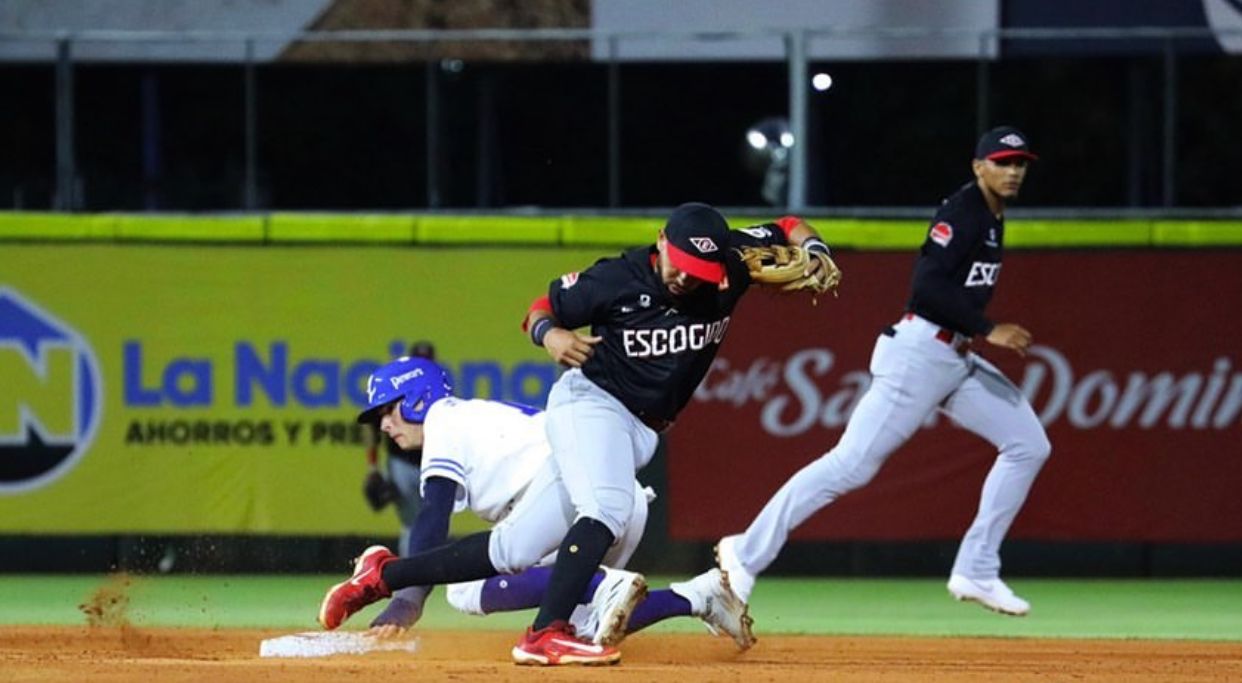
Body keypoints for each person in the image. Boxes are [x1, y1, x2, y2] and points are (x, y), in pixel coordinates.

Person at [317, 202, 833, 665]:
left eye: (699, 271)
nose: (684, 278)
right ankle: (544, 633)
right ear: (660, 241)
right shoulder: (619, 278)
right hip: (593, 404)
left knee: (512, 551)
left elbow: (788, 225)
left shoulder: (731, 260)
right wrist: (551, 334)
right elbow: (541, 307)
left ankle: (382, 576)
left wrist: (812, 247)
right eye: (678, 264)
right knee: (605, 509)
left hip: (641, 426)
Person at [708, 126, 1051, 619]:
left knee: (1028, 444)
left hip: (953, 358)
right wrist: (987, 327)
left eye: (1020, 163)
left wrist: (976, 332)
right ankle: (745, 553)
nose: (1013, 171)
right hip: (920, 354)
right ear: (979, 167)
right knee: (849, 465)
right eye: (1003, 162)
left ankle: (976, 567)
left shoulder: (994, 217)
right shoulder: (964, 212)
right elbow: (927, 286)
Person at [319, 354, 752, 652]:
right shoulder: (476, 420)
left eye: (389, 410)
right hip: (615, 501)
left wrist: (408, 598)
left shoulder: (444, 418)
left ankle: (600, 583)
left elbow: (432, 516)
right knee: (584, 626)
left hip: (567, 502)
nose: (385, 424)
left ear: (417, 399)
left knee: (465, 589)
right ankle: (697, 597)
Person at [361, 341, 437, 629]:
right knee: (412, 523)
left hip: (431, 459)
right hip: (402, 463)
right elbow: (372, 429)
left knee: (427, 518)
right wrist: (372, 469)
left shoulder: (433, 394)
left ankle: (414, 579)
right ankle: (411, 576)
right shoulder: (393, 393)